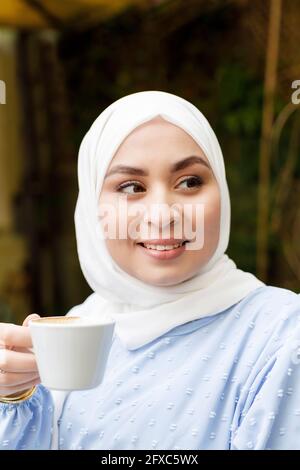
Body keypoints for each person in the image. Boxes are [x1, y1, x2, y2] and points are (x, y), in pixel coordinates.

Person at [0, 91, 300, 450]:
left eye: (190, 182)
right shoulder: (85, 322)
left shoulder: (282, 337)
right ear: (92, 206)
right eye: (131, 187)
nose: (162, 214)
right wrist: (15, 396)